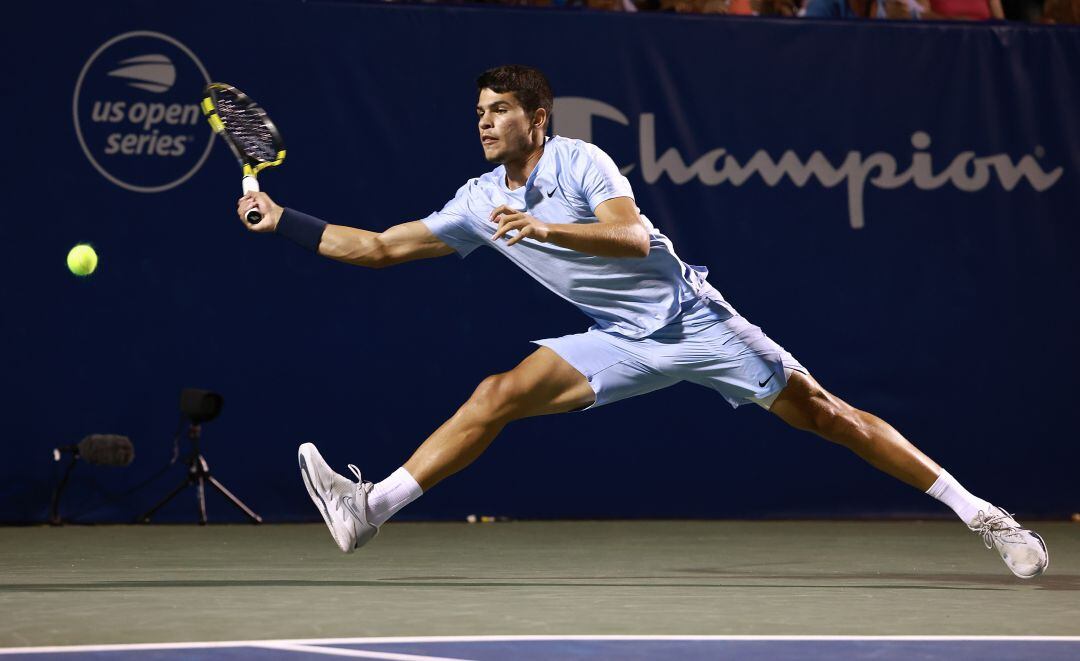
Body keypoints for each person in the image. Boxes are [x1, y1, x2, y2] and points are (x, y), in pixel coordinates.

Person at [236, 65, 1047, 578]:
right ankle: (368, 510)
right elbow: (379, 247)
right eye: (478, 111)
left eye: (499, 110)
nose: (483, 121)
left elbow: (631, 236)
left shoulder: (580, 161)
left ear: (538, 117)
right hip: (618, 341)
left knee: (830, 415)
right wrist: (285, 221)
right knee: (497, 393)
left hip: (695, 320)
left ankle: (981, 513)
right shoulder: (478, 200)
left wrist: (548, 227)